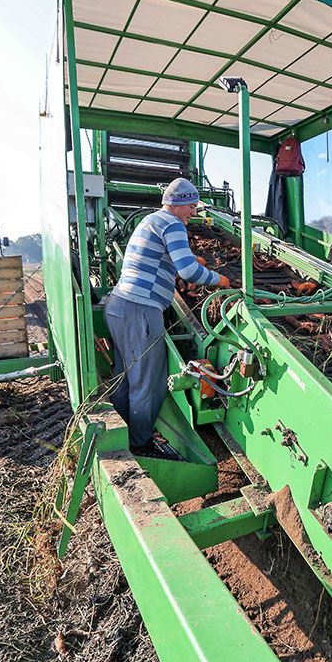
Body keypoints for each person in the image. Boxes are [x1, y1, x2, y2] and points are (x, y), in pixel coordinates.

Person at [104, 178, 230, 456]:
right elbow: (187, 272)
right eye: (192, 206)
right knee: (148, 382)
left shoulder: (151, 220)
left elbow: (165, 260)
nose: (193, 213)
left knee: (126, 378)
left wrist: (189, 262)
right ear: (179, 203)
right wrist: (218, 279)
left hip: (119, 306)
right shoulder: (172, 224)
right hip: (141, 310)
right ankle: (142, 446)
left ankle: (127, 433)